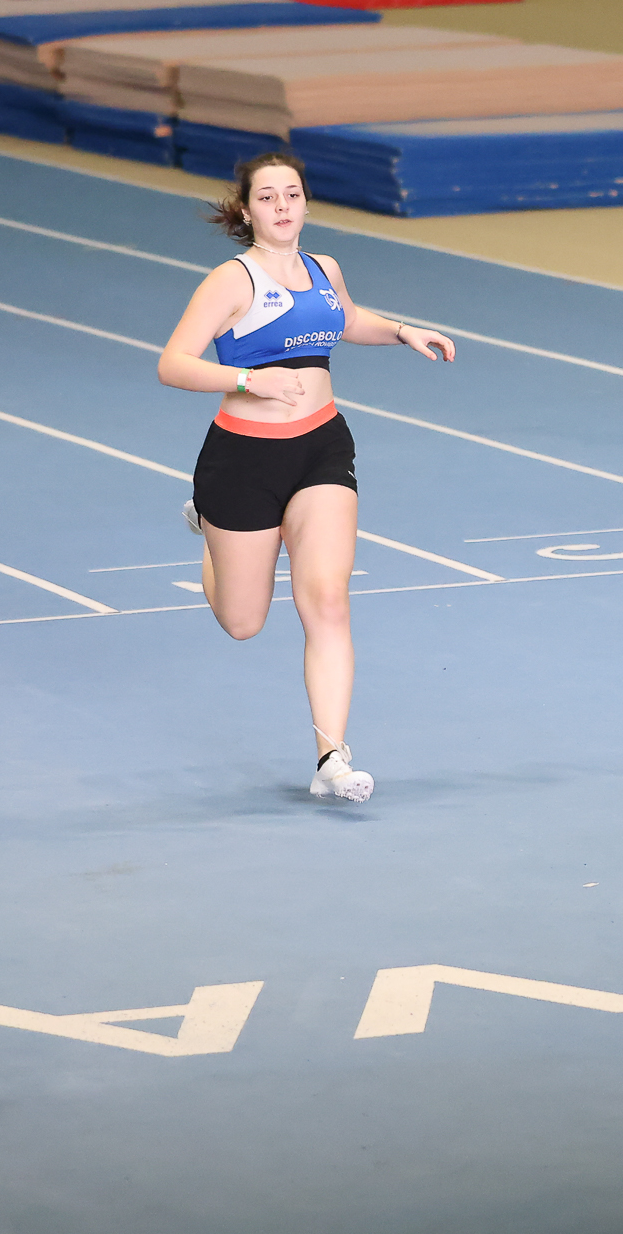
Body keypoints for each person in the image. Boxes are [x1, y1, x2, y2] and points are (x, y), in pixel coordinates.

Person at [158, 153, 458, 802]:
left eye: (292, 194)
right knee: (243, 622)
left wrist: (402, 331)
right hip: (243, 459)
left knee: (326, 599)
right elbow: (173, 364)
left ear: (305, 202)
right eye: (267, 197)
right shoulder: (231, 281)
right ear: (246, 211)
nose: (282, 206)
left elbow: (346, 321)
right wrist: (249, 380)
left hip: (321, 447)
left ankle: (332, 758)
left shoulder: (325, 269)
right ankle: (209, 520)